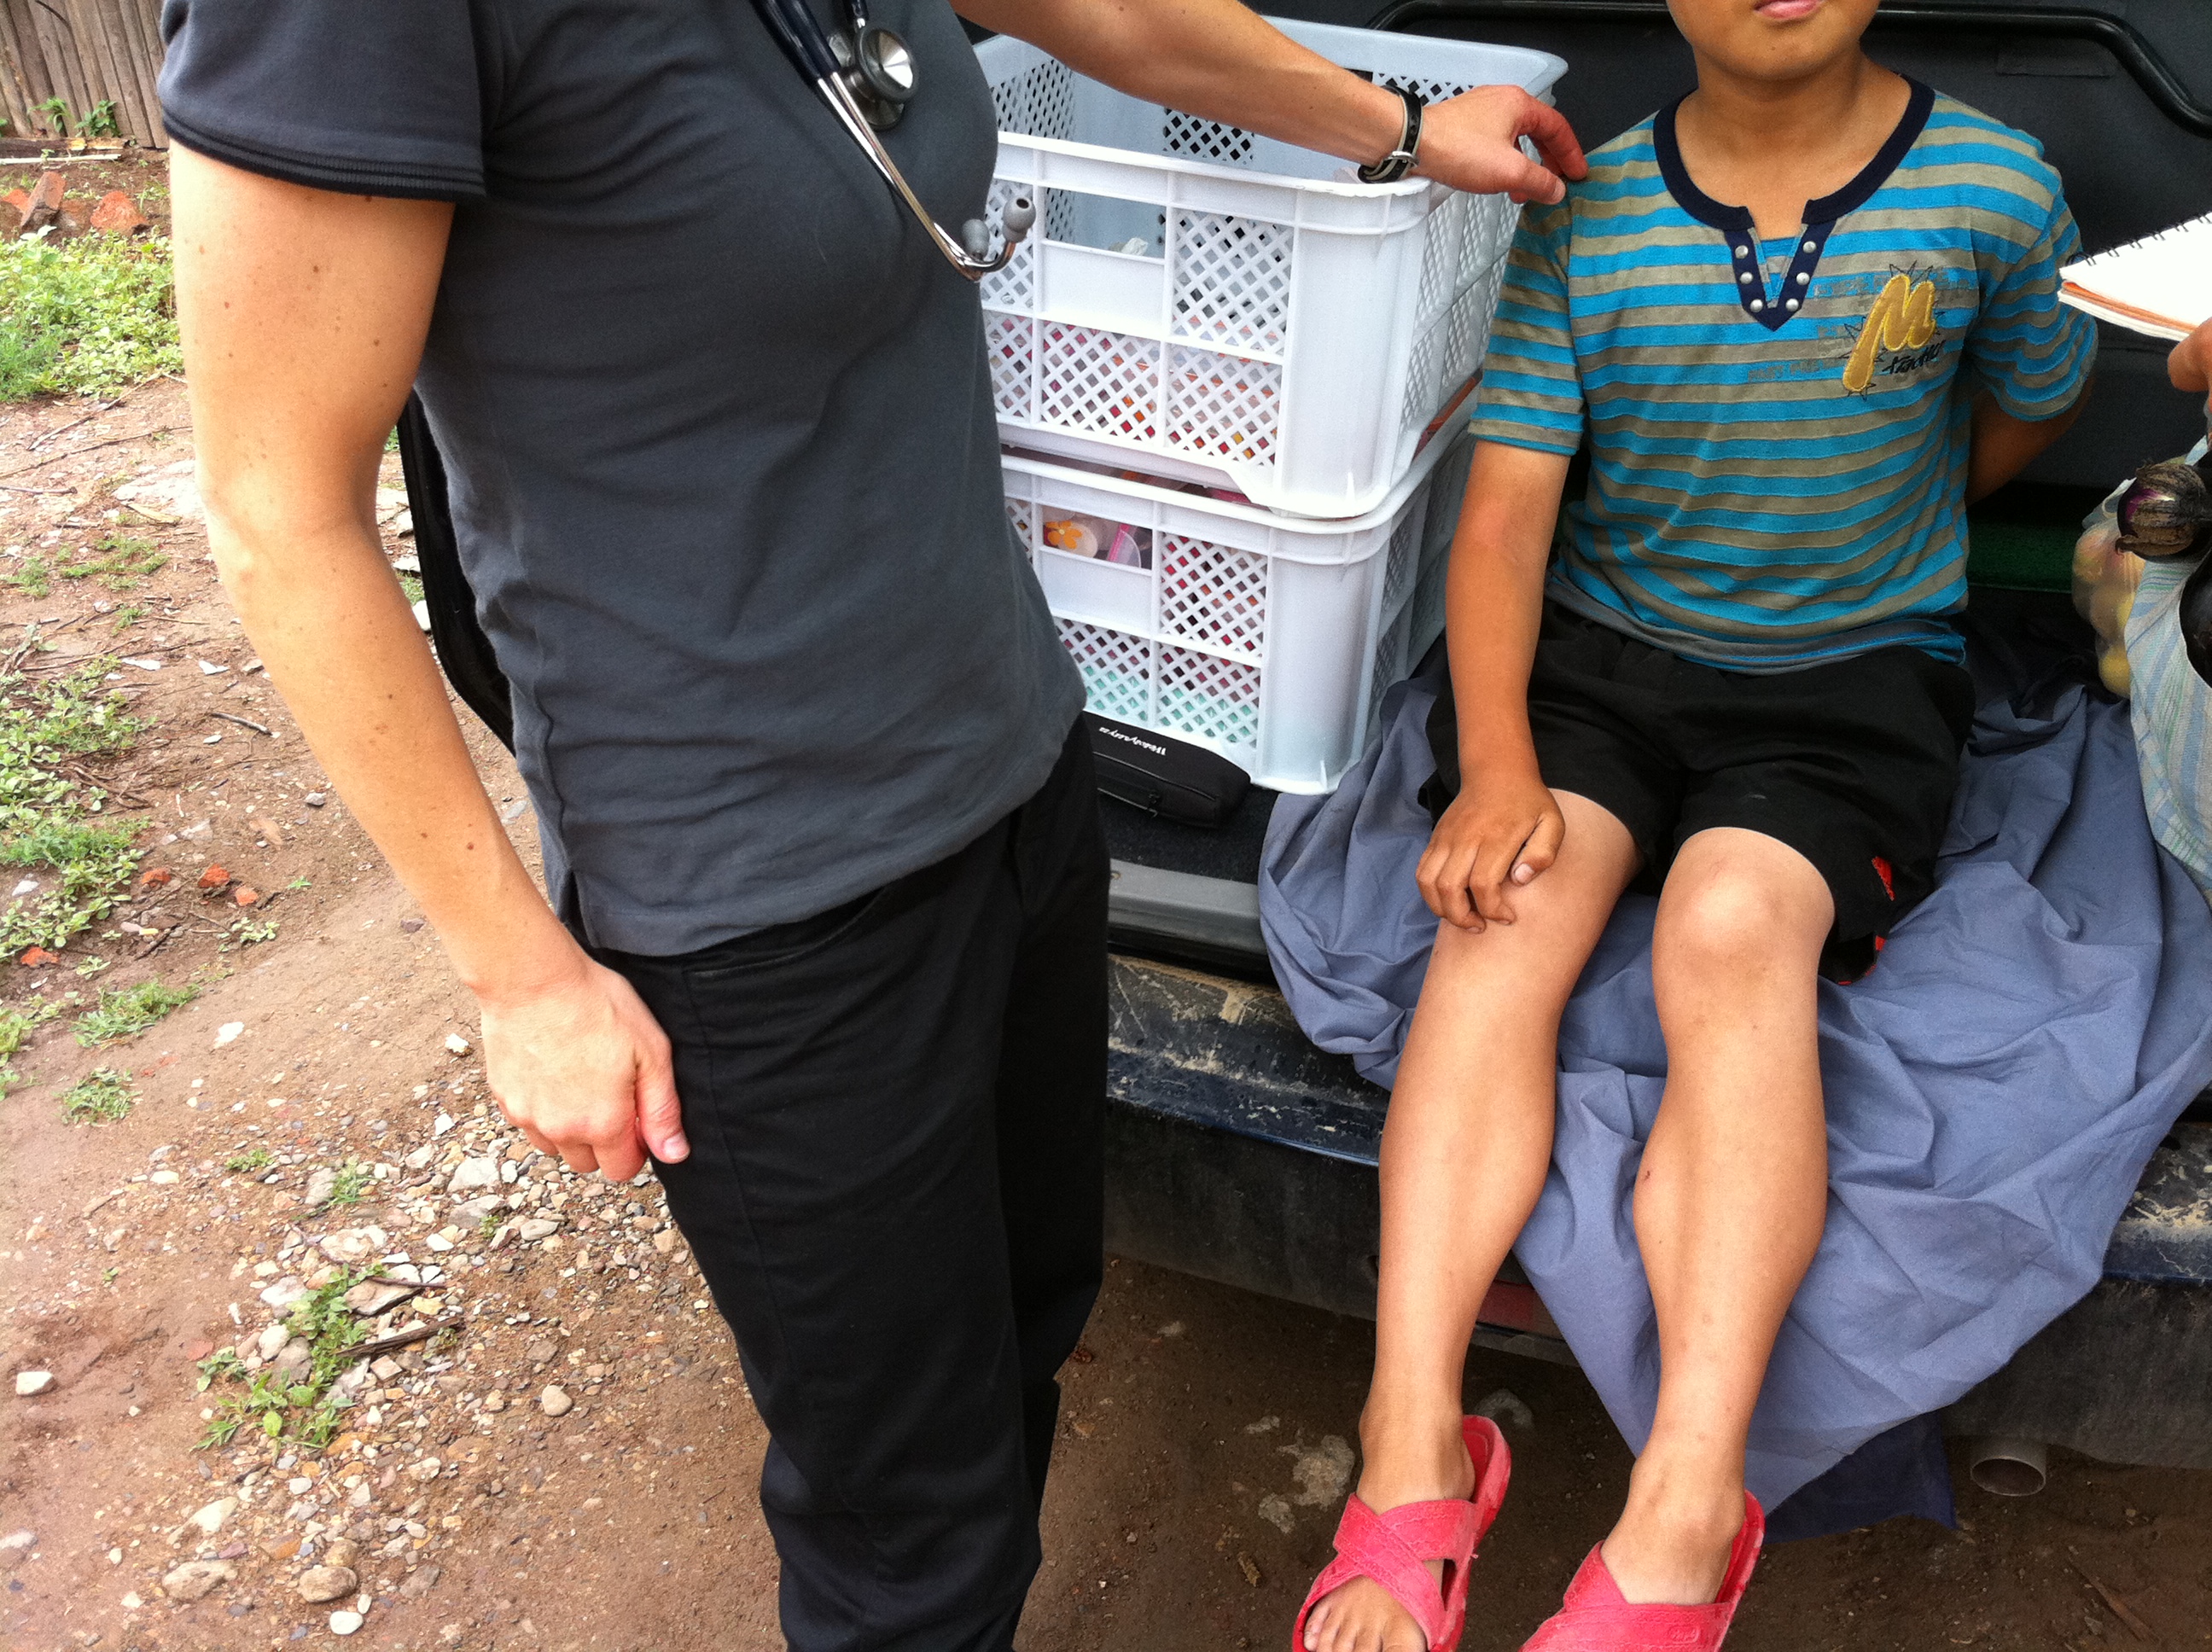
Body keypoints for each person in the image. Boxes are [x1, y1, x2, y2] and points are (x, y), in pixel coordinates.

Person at [156, 1, 1585, 1646]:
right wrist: (521, 976)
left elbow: (1105, 13)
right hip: (762, 898)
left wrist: (1396, 129)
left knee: (1028, 1321)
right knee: (912, 1531)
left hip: (1014, 770)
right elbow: (277, 508)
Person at [1293, 1, 2095, 1648]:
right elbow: (1505, 522)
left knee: (1733, 926)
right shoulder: (1586, 214)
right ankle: (1410, 1443)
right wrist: (1497, 767)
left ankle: (1686, 1507)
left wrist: (1898, 531)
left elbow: (2028, 410)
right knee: (1508, 909)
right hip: (1608, 664)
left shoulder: (1995, 191)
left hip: (1854, 684)